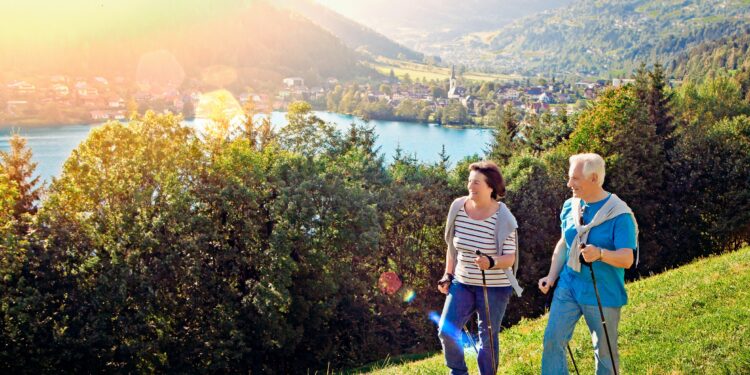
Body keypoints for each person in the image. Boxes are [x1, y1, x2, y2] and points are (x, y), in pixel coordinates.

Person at [538, 153, 639, 375]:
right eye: (569, 177)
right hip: (569, 284)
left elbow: (627, 259)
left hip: (603, 290)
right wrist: (551, 276)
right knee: (552, 340)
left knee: (604, 352)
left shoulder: (619, 214)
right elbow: (565, 243)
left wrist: (601, 254)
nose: (569, 184)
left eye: (575, 179)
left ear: (593, 178)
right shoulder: (570, 206)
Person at [437, 161, 523, 375]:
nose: (470, 186)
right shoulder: (458, 207)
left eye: (476, 183)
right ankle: (458, 372)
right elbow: (451, 247)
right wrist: (448, 274)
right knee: (446, 331)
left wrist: (491, 262)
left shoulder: (503, 217)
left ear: (490, 187)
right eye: (469, 182)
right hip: (462, 283)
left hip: (494, 287)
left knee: (488, 338)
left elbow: (510, 258)